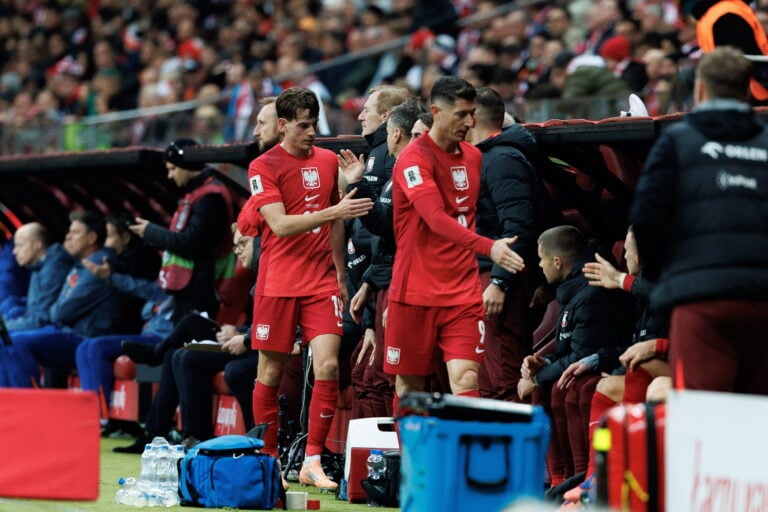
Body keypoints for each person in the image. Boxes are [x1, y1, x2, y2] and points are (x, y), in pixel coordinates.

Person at [246, 87, 373, 490]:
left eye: (314, 124)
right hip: (278, 282)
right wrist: (335, 209)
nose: (312, 132)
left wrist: (339, 273)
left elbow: (336, 224)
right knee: (269, 372)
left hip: (320, 282)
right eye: (303, 125)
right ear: (283, 125)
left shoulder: (328, 161)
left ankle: (312, 460)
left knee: (329, 365)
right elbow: (280, 225)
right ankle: (269, 459)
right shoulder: (263, 166)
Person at [630, 46, 768, 395]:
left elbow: (646, 219)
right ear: (747, 91)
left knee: (705, 412)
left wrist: (666, 277)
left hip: (701, 302)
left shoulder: (677, 141)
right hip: (761, 301)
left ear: (701, 89)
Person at [384, 76, 524, 405]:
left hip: (462, 291)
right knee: (409, 387)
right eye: (461, 114)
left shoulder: (473, 157)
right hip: (415, 291)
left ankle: (466, 442)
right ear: (436, 112)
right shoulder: (413, 159)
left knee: (466, 377)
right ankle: (411, 444)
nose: (469, 122)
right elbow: (435, 219)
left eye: (472, 113)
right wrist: (491, 247)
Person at [518, 225, 634, 488]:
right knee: (549, 387)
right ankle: (558, 480)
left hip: (608, 365)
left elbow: (582, 354)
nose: (540, 266)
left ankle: (581, 478)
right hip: (591, 361)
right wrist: (544, 364)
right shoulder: (572, 288)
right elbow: (571, 349)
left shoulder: (592, 293)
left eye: (541, 260)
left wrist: (537, 378)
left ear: (557, 262)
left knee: (569, 388)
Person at [341, 99, 422, 418]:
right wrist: (370, 286)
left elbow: (393, 232)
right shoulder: (395, 172)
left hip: (404, 287)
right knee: (371, 374)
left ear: (395, 131)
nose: (360, 115)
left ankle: (402, 446)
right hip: (384, 284)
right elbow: (385, 234)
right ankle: (377, 448)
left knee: (387, 377)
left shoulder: (411, 173)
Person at [122, 138, 233, 364]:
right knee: (177, 356)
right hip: (187, 286)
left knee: (185, 356)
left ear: (186, 165)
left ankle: (156, 355)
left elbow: (191, 242)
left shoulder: (210, 198)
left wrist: (152, 232)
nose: (170, 175)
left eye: (172, 168)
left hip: (202, 286)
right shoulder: (194, 195)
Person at [468, 86, 543, 402]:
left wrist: (500, 282)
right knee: (485, 379)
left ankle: (518, 435)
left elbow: (517, 227)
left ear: (471, 118)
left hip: (500, 280)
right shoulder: (483, 158)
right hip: (482, 275)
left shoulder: (502, 160)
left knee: (504, 376)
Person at [0, 211, 121, 387]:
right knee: (7, 340)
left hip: (84, 335)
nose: (68, 237)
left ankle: (24, 401)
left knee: (14, 342)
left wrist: (56, 308)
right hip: (68, 331)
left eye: (75, 232)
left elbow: (58, 313)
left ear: (91, 238)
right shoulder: (79, 264)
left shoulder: (98, 266)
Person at [691, 0, 768, 101]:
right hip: (751, 93)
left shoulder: (713, 13)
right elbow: (748, 59)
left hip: (723, 89)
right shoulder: (730, 14)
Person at [2, 222, 72, 332]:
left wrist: (5, 327)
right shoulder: (36, 265)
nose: (14, 251)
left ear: (37, 245)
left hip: (61, 330)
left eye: (19, 245)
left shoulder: (54, 269)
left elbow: (42, 319)